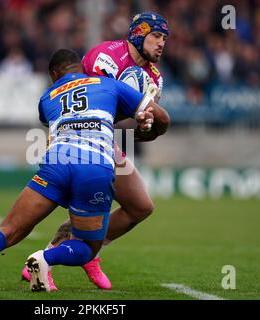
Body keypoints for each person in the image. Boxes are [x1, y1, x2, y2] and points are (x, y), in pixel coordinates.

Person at [0, 49, 169, 292]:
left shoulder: (46, 98)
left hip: (56, 163)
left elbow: (60, 120)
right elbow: (160, 117)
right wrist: (144, 128)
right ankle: (45, 256)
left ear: (54, 75)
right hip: (94, 165)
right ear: (81, 69)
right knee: (85, 249)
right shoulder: (109, 84)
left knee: (9, 230)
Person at [20, 11, 170, 290]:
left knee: (140, 206)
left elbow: (138, 124)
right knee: (90, 204)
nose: (162, 43)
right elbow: (93, 105)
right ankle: (52, 259)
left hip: (108, 140)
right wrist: (148, 118)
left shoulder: (155, 78)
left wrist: (146, 126)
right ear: (139, 34)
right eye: (156, 36)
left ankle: (91, 250)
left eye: (165, 38)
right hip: (77, 139)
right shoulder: (107, 57)